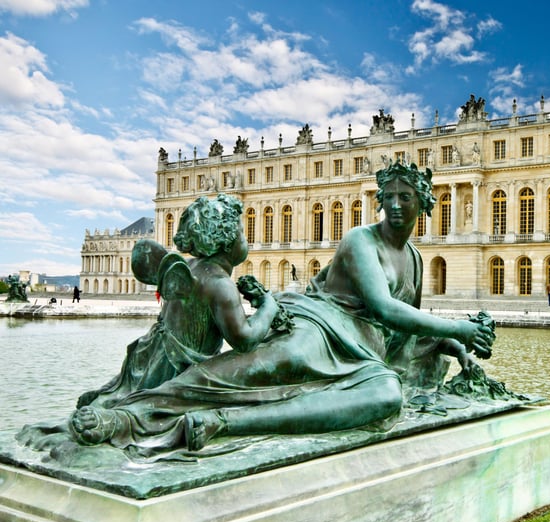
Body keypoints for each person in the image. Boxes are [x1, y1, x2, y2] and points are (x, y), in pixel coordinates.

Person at [69, 161, 494, 453]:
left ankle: (225, 423)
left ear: (425, 201)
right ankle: (130, 415)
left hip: (364, 356)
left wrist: (444, 343)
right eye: (391, 196)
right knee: (248, 373)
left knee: (387, 396)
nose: (397, 205)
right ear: (380, 199)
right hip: (319, 325)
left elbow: (400, 330)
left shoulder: (416, 259)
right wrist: (457, 328)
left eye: (407, 197)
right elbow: (383, 307)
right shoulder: (360, 241)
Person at [74, 193, 279, 410]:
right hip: (179, 371)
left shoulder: (189, 266)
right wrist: (268, 307)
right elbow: (244, 340)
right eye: (241, 233)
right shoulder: (220, 283)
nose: (245, 239)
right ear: (226, 240)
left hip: (153, 358)